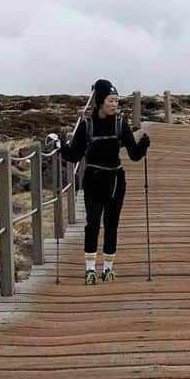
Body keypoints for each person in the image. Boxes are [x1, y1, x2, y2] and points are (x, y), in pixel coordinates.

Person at [61, 78, 150, 284]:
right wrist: (60, 145)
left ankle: (108, 269)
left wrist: (143, 145)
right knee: (92, 223)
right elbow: (74, 155)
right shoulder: (87, 126)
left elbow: (135, 155)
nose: (114, 104)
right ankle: (90, 269)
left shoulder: (120, 124)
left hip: (116, 181)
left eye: (116, 101)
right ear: (100, 101)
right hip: (93, 180)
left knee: (111, 225)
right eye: (111, 100)